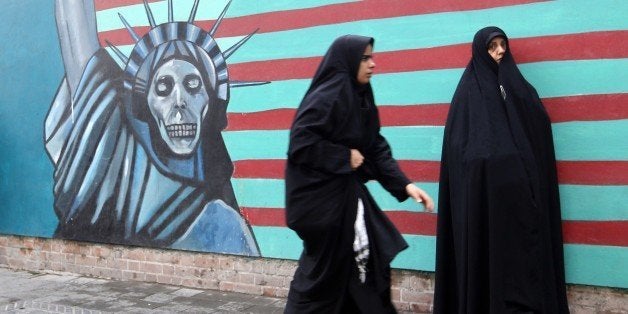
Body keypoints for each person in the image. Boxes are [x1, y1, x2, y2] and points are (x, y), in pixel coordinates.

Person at [44, 0, 263, 255]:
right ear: (145, 103)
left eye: (193, 85)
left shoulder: (222, 223)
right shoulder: (113, 157)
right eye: (163, 87)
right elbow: (75, 34)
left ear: (211, 101)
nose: (179, 102)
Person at [284, 35, 434, 313]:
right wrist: (344, 156)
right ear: (349, 61)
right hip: (322, 206)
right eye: (365, 58)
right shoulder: (330, 95)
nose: (373, 64)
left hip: (345, 198)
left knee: (362, 268)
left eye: (372, 57)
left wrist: (405, 185)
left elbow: (373, 144)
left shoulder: (358, 95)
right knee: (325, 279)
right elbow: (301, 143)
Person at [433, 26, 569, 313]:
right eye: (492, 46)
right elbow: (461, 151)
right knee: (486, 262)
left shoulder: (518, 88)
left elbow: (537, 130)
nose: (500, 51)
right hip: (482, 206)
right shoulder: (467, 97)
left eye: (502, 44)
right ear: (480, 52)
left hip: (518, 209)